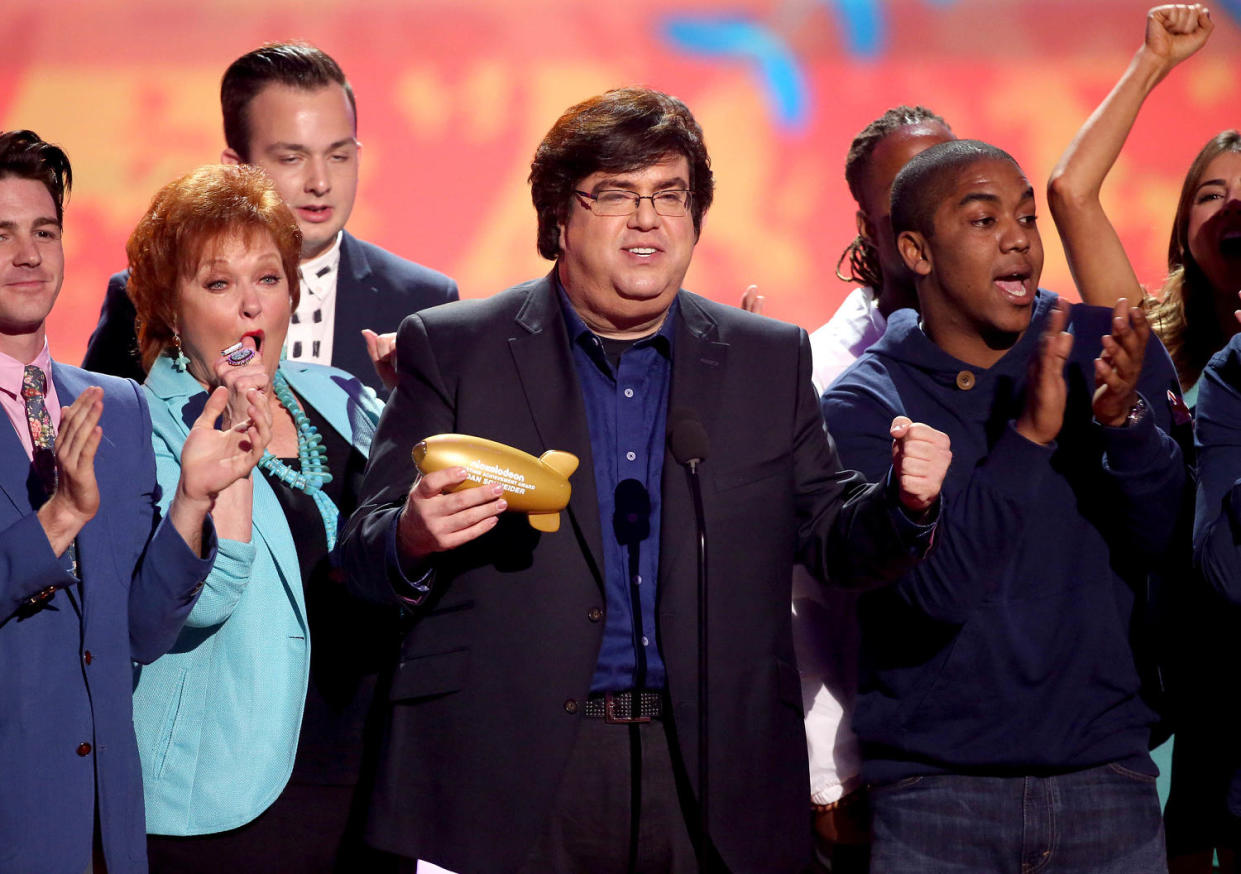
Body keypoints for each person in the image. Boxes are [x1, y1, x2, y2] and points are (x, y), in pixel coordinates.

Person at [339, 86, 952, 874]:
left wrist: (902, 506)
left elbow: (829, 534)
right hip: (512, 766)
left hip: (710, 768)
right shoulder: (458, 348)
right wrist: (411, 537)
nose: (647, 219)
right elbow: (362, 551)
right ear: (557, 218)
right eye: (617, 196)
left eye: (671, 195)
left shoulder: (765, 359)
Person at [822, 138, 1190, 872]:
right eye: (983, 220)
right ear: (915, 251)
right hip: (936, 800)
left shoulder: (1102, 346)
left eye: (1024, 216)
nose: (1019, 238)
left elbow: (1165, 542)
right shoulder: (866, 404)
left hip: (1106, 783)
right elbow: (937, 591)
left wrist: (1126, 426)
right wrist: (1028, 437)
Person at [0, 130, 266, 873]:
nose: (28, 254)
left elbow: (138, 635)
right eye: (2, 234)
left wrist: (190, 500)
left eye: (44, 231)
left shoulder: (117, 405)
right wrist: (58, 519)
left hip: (107, 826)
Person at [123, 163, 396, 873]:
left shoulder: (337, 393)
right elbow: (193, 609)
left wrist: (419, 409)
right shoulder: (143, 428)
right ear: (168, 311)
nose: (251, 308)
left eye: (268, 280)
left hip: (373, 778)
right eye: (218, 284)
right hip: (231, 793)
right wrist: (231, 476)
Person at [1047, 8, 1226, 871]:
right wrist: (1154, 62)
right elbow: (1069, 192)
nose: (1232, 209)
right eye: (1210, 192)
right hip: (1159, 676)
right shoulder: (1145, 338)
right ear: (1183, 225)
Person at [82, 41, 458, 397]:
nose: (321, 183)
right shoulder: (147, 297)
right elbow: (105, 438)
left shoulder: (424, 301)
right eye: (292, 159)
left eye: (338, 157)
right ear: (236, 167)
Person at [787, 104, 957, 874]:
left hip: (1036, 759)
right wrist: (832, 775)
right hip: (887, 777)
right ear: (867, 224)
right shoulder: (817, 374)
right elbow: (803, 605)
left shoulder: (1039, 357)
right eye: (902, 201)